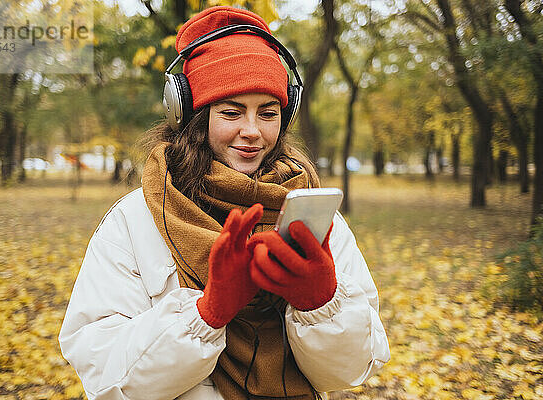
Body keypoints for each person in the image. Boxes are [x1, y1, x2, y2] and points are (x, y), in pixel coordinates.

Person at [59, 6, 390, 400]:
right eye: (231, 112)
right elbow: (102, 372)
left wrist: (321, 305)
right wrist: (207, 313)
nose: (251, 132)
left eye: (268, 114)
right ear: (192, 116)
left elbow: (351, 371)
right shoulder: (135, 220)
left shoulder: (312, 215)